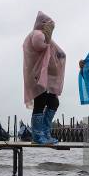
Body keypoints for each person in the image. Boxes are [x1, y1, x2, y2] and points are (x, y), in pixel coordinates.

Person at [23, 11, 66, 145]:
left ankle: (45, 132)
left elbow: (56, 51)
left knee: (53, 102)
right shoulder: (36, 34)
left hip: (45, 77)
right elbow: (40, 45)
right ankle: (37, 135)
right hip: (37, 76)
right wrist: (47, 36)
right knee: (40, 102)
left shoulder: (45, 36)